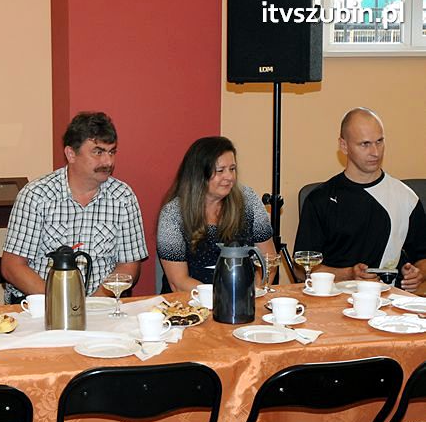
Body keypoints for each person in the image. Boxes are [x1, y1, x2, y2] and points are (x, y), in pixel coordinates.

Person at [1, 111, 147, 303]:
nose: (108, 162)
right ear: (71, 154)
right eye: (98, 152)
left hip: (102, 304)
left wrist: (95, 302)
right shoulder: (36, 195)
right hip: (43, 304)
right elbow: (13, 267)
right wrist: (61, 301)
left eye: (112, 152)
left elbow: (129, 266)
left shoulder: (123, 197)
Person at [295, 107, 426, 291]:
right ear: (344, 146)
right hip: (333, 298)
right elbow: (302, 270)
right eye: (364, 144)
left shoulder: (406, 198)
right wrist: (349, 274)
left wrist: (418, 274)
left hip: (388, 302)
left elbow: (422, 257)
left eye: (379, 141)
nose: (375, 152)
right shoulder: (319, 199)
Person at [157, 136, 275, 292]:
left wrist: (255, 292)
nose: (229, 177)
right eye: (220, 171)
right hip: (192, 306)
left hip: (245, 299)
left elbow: (269, 259)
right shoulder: (173, 215)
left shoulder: (248, 200)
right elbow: (178, 283)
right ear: (199, 175)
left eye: (232, 169)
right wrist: (226, 299)